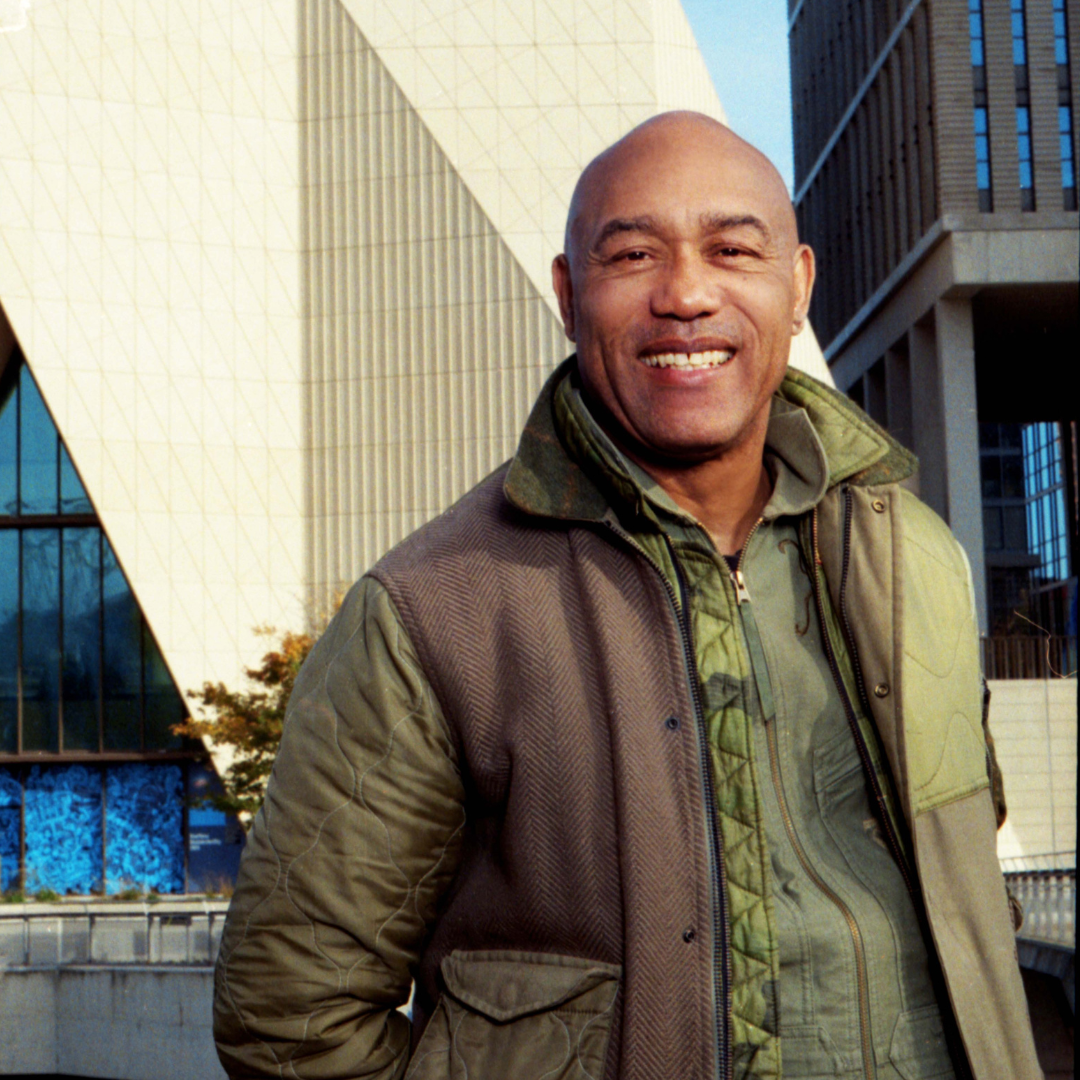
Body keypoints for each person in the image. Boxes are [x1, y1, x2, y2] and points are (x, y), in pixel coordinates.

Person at [213, 112, 1041, 1080]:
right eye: (635, 254)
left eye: (733, 249)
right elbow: (288, 1019)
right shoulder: (431, 616)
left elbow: (969, 884)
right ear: (570, 296)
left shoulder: (916, 558)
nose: (686, 294)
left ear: (798, 287)